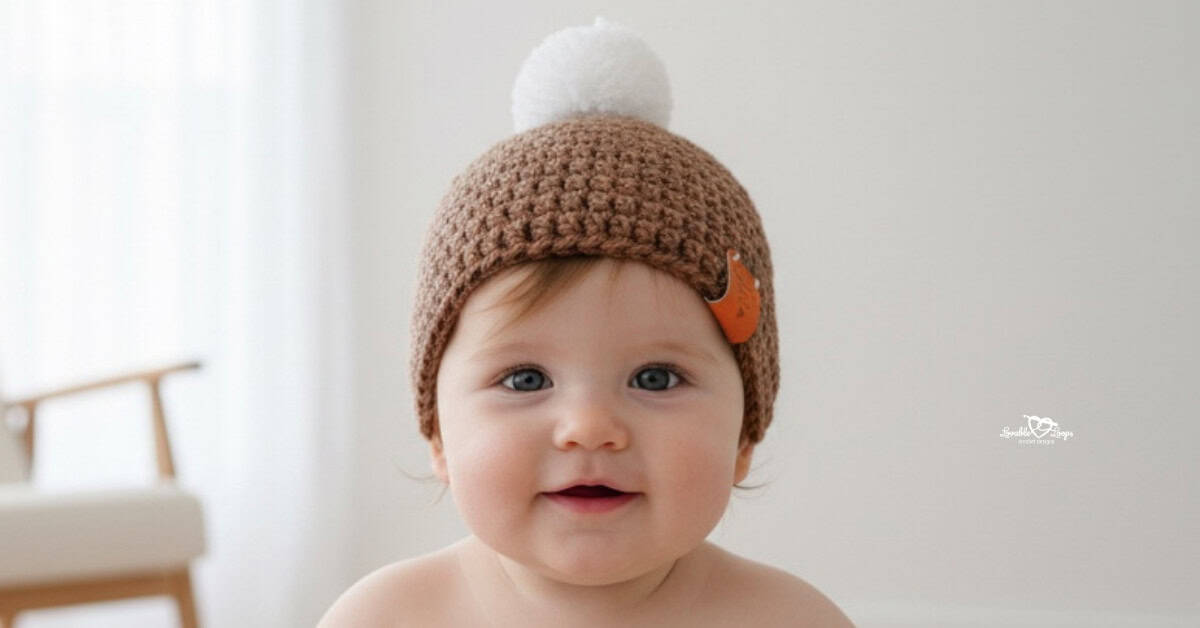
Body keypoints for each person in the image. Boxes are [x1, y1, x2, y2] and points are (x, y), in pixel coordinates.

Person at [319, 17, 855, 627]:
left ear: (744, 436)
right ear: (439, 434)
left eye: (656, 378)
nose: (589, 428)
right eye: (525, 379)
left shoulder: (787, 620)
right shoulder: (389, 616)